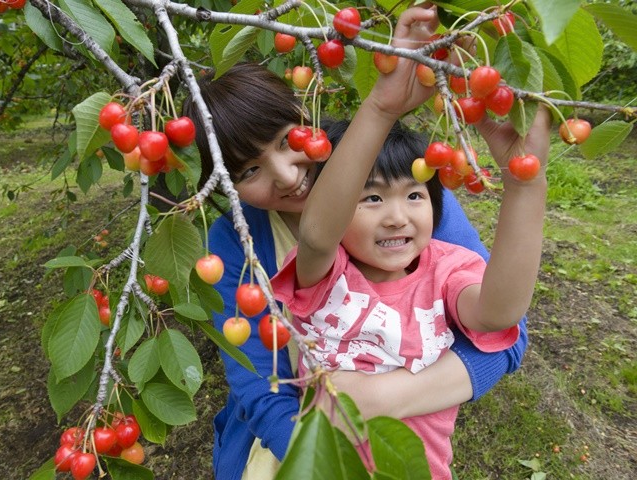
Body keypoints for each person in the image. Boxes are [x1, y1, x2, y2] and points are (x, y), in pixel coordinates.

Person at [181, 6, 539, 479]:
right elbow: (260, 389)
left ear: (306, 113)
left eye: (289, 140)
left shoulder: (399, 187)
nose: (288, 177)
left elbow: (503, 331)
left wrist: (527, 182)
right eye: (248, 170)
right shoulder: (247, 249)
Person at [271, 106, 548, 477]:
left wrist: (524, 187)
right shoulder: (325, 275)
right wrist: (381, 108)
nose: (397, 216)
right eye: (372, 198)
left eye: (414, 196)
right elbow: (317, 235)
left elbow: (497, 312)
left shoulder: (447, 270)